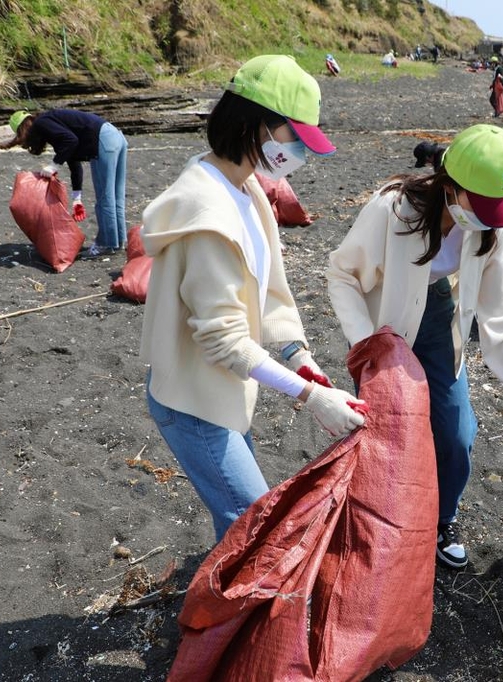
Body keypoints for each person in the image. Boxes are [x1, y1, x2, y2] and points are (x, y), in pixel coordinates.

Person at [139, 55, 367, 543]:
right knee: (256, 526)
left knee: (244, 521)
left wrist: (299, 357)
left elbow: (270, 295)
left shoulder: (248, 190)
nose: (300, 153)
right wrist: (311, 398)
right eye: (295, 138)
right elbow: (224, 341)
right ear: (255, 124)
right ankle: (225, 615)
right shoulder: (209, 212)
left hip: (226, 391)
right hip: (192, 398)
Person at [327, 124, 503, 569]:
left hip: (438, 314)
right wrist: (365, 341)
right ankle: (377, 519)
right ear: (450, 186)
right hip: (383, 323)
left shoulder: (492, 226)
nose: (490, 216)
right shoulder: (392, 209)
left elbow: (501, 319)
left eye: (497, 208)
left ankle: (442, 519)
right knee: (383, 431)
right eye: (482, 204)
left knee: (456, 433)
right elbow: (342, 275)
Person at [1, 108, 128, 257]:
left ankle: (106, 244)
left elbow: (71, 141)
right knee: (116, 197)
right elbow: (74, 165)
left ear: (24, 128)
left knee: (105, 198)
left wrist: (53, 165)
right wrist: (77, 198)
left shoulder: (41, 123)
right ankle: (118, 241)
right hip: (116, 137)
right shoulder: (54, 125)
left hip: (103, 140)